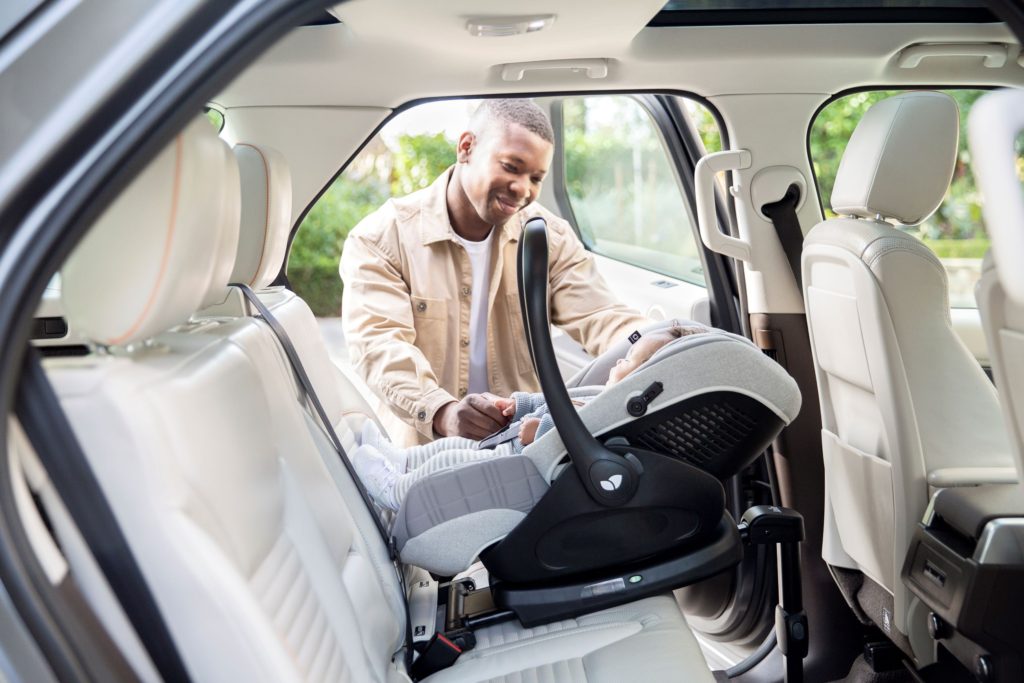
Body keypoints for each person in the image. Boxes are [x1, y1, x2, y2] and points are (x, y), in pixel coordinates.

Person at [340, 99, 648, 446]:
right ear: (467, 148)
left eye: (536, 178)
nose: (523, 189)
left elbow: (602, 314)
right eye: (511, 167)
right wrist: (443, 412)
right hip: (426, 450)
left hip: (523, 447)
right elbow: (380, 346)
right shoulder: (382, 238)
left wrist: (650, 342)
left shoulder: (551, 237)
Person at [354, 324, 706, 510]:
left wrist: (540, 430)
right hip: (503, 449)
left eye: (630, 361)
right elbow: (554, 401)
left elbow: (571, 444)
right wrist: (518, 406)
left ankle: (396, 491)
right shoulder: (605, 399)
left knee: (451, 464)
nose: (618, 361)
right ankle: (398, 460)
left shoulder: (617, 421)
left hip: (517, 469)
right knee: (450, 449)